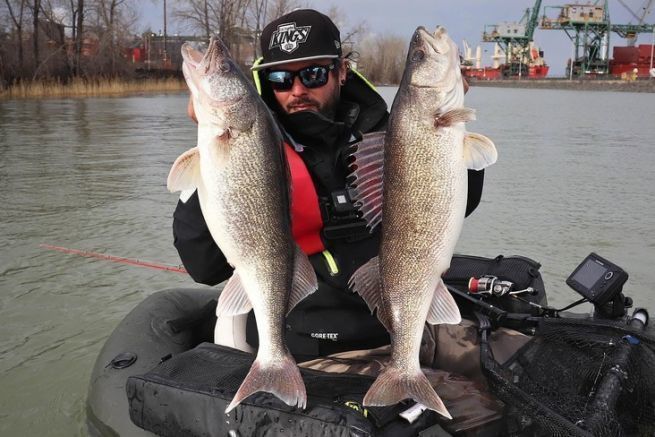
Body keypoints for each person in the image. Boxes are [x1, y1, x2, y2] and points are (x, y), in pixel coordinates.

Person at [173, 9, 485, 361]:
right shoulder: (250, 148)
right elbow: (203, 267)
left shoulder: (390, 136)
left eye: (313, 74)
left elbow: (460, 203)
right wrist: (209, 157)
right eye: (279, 78)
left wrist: (447, 133)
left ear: (341, 71)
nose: (297, 90)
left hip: (393, 328)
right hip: (300, 344)